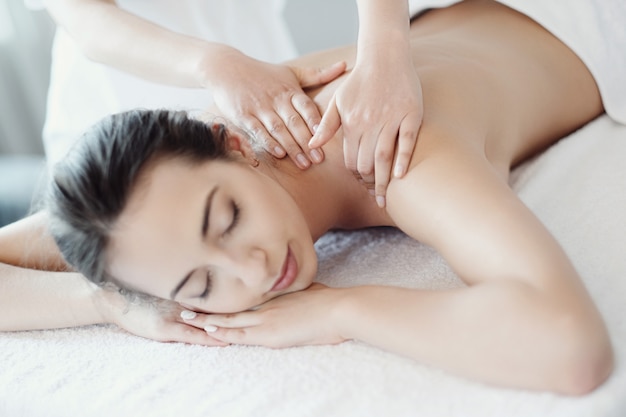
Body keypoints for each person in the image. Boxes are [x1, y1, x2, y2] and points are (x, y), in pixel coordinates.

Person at [2, 0, 624, 394]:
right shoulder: (152, 219)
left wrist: (340, 310)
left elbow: (572, 349)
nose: (254, 268)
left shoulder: (401, 160)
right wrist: (110, 303)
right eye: (200, 287)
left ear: (235, 144)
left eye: (229, 219)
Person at [30, 0, 424, 199]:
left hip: (262, 94)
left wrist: (384, 49)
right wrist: (217, 66)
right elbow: (84, 18)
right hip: (115, 132)